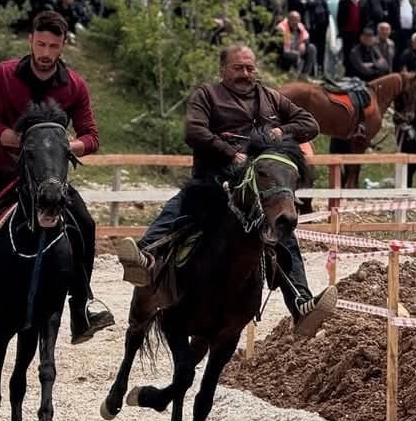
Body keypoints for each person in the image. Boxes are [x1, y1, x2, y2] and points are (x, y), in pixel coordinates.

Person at [115, 45, 335, 337]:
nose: (245, 73)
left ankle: (300, 303)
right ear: (223, 70)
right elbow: (193, 131)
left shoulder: (270, 97)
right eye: (238, 68)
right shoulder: (207, 95)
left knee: (282, 230)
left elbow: (310, 124)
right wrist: (231, 153)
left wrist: (282, 131)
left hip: (254, 187)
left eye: (249, 68)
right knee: (181, 206)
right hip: (214, 178)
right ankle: (144, 256)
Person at [0, 11, 115, 344]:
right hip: (2, 171)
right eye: (41, 44)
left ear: (63, 46)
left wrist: (60, 146)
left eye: (53, 46)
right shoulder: (5, 74)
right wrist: (27, 142)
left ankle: (82, 305)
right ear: (31, 41)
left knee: (86, 223)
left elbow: (91, 136)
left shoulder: (75, 85)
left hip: (48, 178)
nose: (46, 52)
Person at [277, 11, 317, 76]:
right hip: (284, 52)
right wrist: (293, 53)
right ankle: (285, 74)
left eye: (297, 21)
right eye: (294, 21)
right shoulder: (282, 28)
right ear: (289, 20)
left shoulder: (299, 25)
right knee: (294, 56)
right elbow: (282, 48)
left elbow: (306, 36)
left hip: (296, 49)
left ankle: (304, 75)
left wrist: (304, 43)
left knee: (311, 48)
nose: (296, 23)